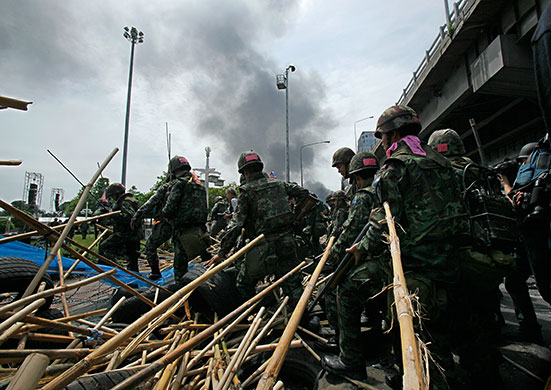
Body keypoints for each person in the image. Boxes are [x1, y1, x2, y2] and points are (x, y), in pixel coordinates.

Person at [346, 106, 468, 388]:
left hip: (415, 264)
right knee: (446, 334)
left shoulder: (396, 166)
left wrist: (360, 250)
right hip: (451, 260)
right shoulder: (442, 161)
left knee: (353, 289)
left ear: (395, 134)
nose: (384, 143)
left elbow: (383, 221)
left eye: (384, 137)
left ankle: (364, 363)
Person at [429, 128, 513, 388]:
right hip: (490, 255)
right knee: (484, 314)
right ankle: (489, 363)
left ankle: (478, 374)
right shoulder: (480, 171)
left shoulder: (446, 175)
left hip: (462, 258)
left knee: (460, 321)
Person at [207, 151, 310, 307]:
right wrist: (295, 217)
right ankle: (303, 319)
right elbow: (305, 194)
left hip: (262, 247)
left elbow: (237, 225)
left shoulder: (246, 192)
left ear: (244, 172)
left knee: (243, 283)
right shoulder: (279, 184)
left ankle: (255, 312)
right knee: (293, 284)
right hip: (287, 242)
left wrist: (222, 253)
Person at [321, 152, 383, 381]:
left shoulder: (364, 196)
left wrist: (330, 261)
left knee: (341, 289)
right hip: (386, 253)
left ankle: (350, 357)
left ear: (356, 175)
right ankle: (374, 334)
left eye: (340, 168)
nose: (339, 171)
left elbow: (350, 232)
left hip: (377, 257)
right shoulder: (380, 188)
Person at [161, 156, 209, 285]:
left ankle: (183, 297)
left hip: (183, 233)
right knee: (206, 261)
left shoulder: (178, 184)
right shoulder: (200, 186)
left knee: (180, 269)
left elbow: (168, 209)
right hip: (200, 231)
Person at [131, 178, 174, 280]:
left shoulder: (167, 187)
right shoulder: (190, 186)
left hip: (165, 223)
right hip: (184, 225)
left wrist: (136, 217)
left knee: (150, 246)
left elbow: (150, 204)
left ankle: (155, 273)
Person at [98, 183, 142, 272]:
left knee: (104, 247)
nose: (113, 199)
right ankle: (133, 280)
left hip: (126, 234)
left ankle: (118, 269)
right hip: (134, 234)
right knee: (132, 258)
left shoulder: (125, 202)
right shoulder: (132, 200)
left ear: (117, 194)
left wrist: (112, 215)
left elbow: (129, 217)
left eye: (113, 196)